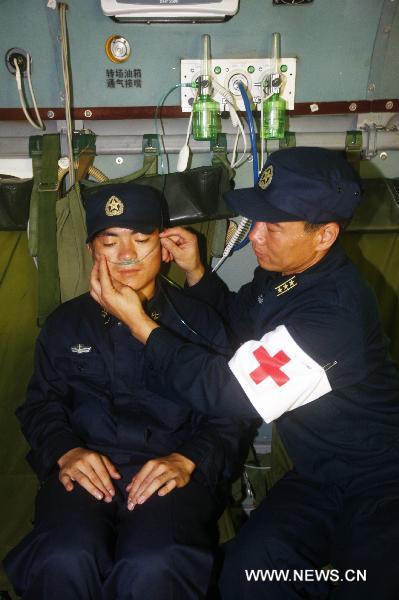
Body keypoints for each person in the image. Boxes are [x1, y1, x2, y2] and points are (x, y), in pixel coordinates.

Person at [90, 147, 399, 599]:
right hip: (320, 476)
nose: (255, 236)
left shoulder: (334, 313)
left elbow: (229, 392)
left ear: (325, 235)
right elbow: (240, 323)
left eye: (273, 226)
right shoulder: (284, 274)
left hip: (383, 481)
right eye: (256, 220)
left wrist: (140, 325)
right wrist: (197, 273)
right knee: (247, 573)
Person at [3, 182, 255, 600]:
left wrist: (188, 459)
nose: (125, 255)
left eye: (141, 239)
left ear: (164, 247)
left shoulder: (199, 322)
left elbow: (230, 415)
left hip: (169, 473)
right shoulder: (64, 323)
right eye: (110, 241)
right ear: (91, 250)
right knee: (65, 555)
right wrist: (66, 451)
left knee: (155, 563)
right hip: (86, 471)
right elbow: (41, 404)